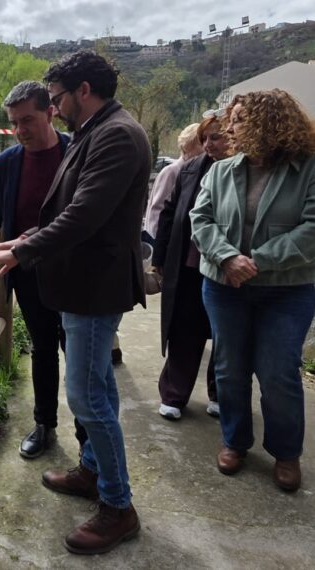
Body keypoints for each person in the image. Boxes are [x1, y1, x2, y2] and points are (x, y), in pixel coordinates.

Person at [0, 50, 151, 554]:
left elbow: (84, 215)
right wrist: (15, 243)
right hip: (78, 283)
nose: (55, 108)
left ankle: (117, 506)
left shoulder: (115, 135)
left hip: (92, 287)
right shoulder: (100, 131)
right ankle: (94, 472)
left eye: (56, 99)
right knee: (95, 390)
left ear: (82, 91)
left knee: (88, 396)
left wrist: (21, 246)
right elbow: (66, 210)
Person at [190, 89, 315, 493]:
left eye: (241, 119)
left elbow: (313, 228)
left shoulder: (308, 169)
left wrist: (258, 259)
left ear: (270, 122)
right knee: (229, 368)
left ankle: (286, 453)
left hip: (287, 289)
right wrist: (227, 257)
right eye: (232, 118)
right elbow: (201, 217)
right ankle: (235, 441)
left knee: (278, 372)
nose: (231, 126)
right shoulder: (221, 170)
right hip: (225, 285)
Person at [0, 80, 85, 459]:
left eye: (27, 120)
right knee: (44, 349)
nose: (20, 130)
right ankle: (44, 424)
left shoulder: (78, 152)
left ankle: (88, 435)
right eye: (14, 123)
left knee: (78, 357)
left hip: (73, 271)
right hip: (27, 272)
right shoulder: (5, 164)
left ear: (51, 112)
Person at [152, 114, 231, 420]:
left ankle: (220, 393)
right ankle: (174, 394)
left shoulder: (246, 172)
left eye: (217, 137)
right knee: (184, 330)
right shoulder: (189, 170)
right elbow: (169, 217)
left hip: (228, 271)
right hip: (187, 267)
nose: (210, 144)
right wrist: (159, 261)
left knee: (225, 335)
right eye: (206, 138)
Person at [144, 123, 203, 242]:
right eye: (201, 141)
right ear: (189, 144)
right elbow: (157, 210)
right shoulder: (172, 171)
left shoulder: (195, 170)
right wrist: (159, 242)